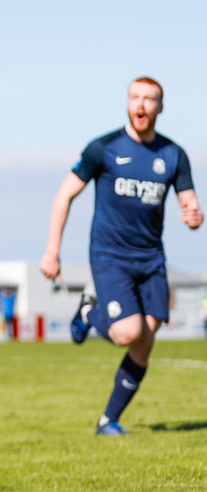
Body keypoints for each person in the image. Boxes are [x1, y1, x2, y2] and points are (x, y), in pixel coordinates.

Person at [40, 76, 202, 436]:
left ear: (160, 106)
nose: (141, 104)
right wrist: (52, 251)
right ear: (128, 103)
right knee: (127, 333)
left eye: (149, 99)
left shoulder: (173, 154)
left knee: (146, 339)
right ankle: (89, 312)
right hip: (110, 255)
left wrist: (195, 217)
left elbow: (190, 206)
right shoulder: (104, 148)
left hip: (152, 258)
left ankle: (108, 421)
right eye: (135, 97)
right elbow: (63, 196)